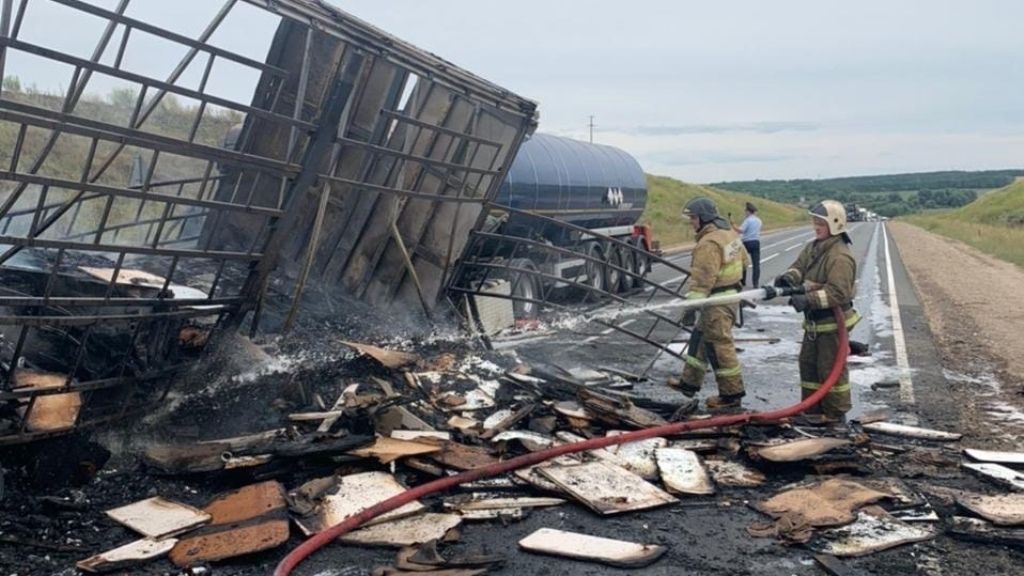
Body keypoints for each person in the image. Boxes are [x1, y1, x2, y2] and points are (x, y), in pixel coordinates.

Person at [774, 200, 861, 425]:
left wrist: (808, 299)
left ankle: (835, 415)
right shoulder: (814, 247)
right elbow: (799, 267)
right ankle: (811, 410)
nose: (816, 227)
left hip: (832, 324)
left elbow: (838, 293)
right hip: (814, 324)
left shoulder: (840, 256)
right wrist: (788, 279)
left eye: (820, 223)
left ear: (834, 224)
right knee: (809, 365)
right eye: (815, 222)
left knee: (830, 369)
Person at [668, 197, 749, 414]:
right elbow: (745, 261)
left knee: (719, 347)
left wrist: (690, 309)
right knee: (700, 339)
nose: (691, 222)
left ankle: (731, 396)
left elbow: (702, 282)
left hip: (716, 303)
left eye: (693, 218)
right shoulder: (729, 234)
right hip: (728, 298)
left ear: (704, 218)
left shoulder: (708, 243)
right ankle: (689, 383)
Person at [734, 202, 762, 288]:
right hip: (756, 242)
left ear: (748, 211)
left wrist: (733, 225)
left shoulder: (748, 220)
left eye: (745, 211)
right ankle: (755, 283)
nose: (745, 213)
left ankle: (743, 281)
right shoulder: (759, 220)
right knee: (756, 264)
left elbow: (741, 231)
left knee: (743, 261)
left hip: (746, 242)